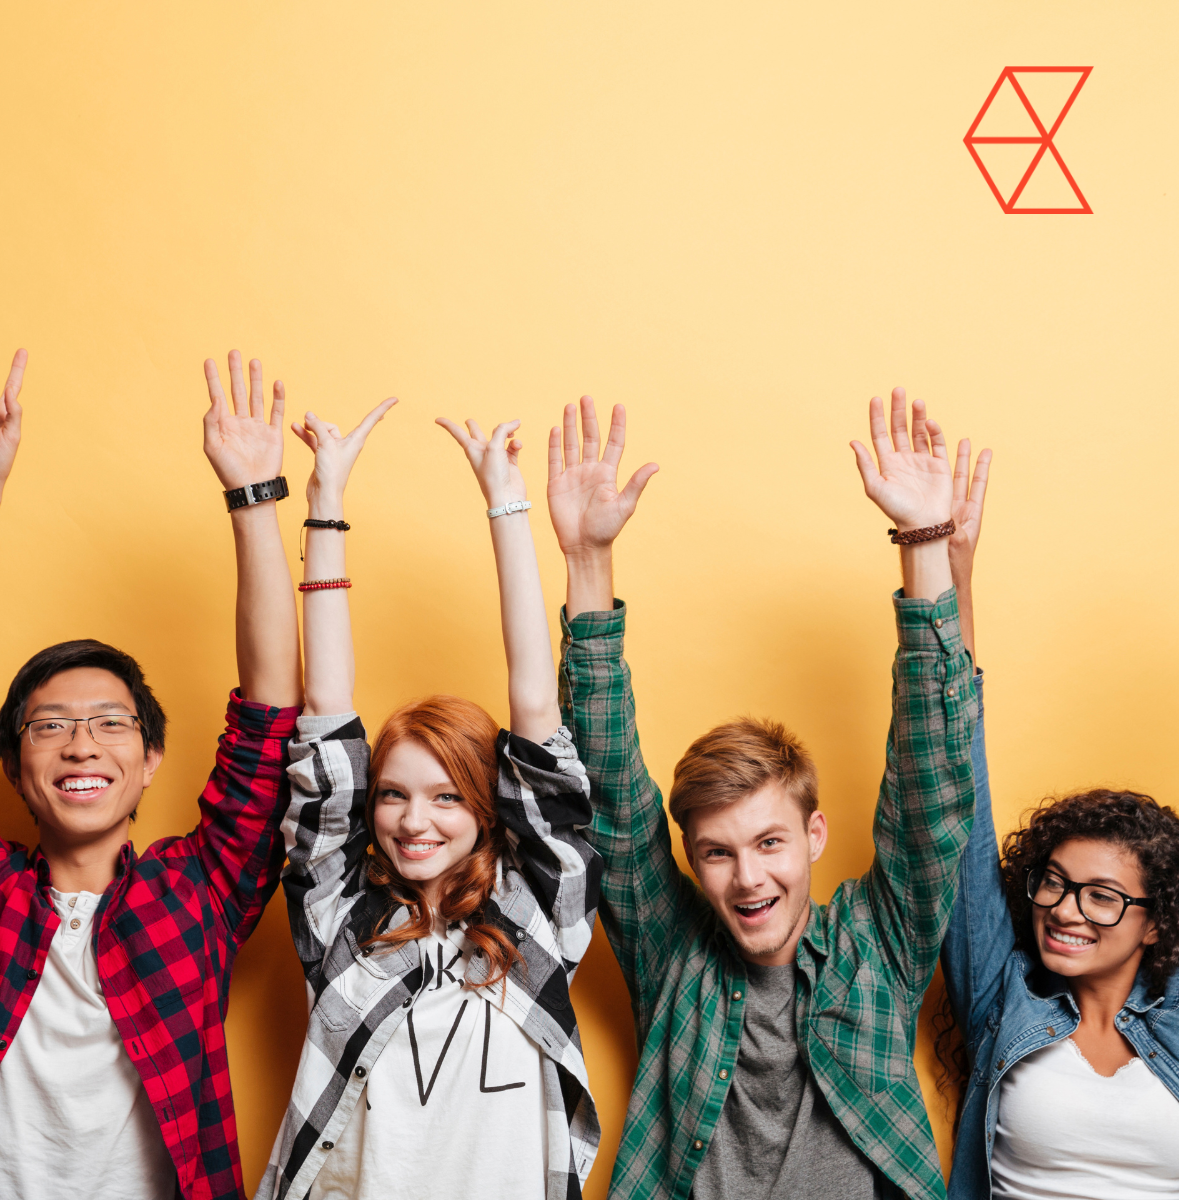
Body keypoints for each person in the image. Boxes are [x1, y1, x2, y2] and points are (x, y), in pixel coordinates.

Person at [552, 390, 982, 1200]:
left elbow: (930, 789)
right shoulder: (672, 951)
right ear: (690, 860)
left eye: (769, 842)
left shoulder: (876, 948)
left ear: (815, 833)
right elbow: (606, 784)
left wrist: (925, 543)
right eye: (717, 853)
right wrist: (586, 567)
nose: (748, 878)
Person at [0, 340, 303, 1200]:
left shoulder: (196, 891)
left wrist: (251, 498)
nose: (81, 745)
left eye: (110, 724)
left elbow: (272, 721)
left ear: (150, 758)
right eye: (50, 727)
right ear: (16, 767)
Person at [257, 408, 602, 1200]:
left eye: (448, 795)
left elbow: (536, 714)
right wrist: (327, 500)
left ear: (488, 806)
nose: (415, 821)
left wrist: (506, 504)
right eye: (393, 795)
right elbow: (327, 710)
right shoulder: (342, 924)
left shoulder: (538, 919)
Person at [939, 461, 1179, 1195]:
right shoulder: (1003, 993)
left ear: (1155, 925)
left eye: (1102, 896)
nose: (1066, 908)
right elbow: (962, 807)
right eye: (1055, 882)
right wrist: (952, 577)